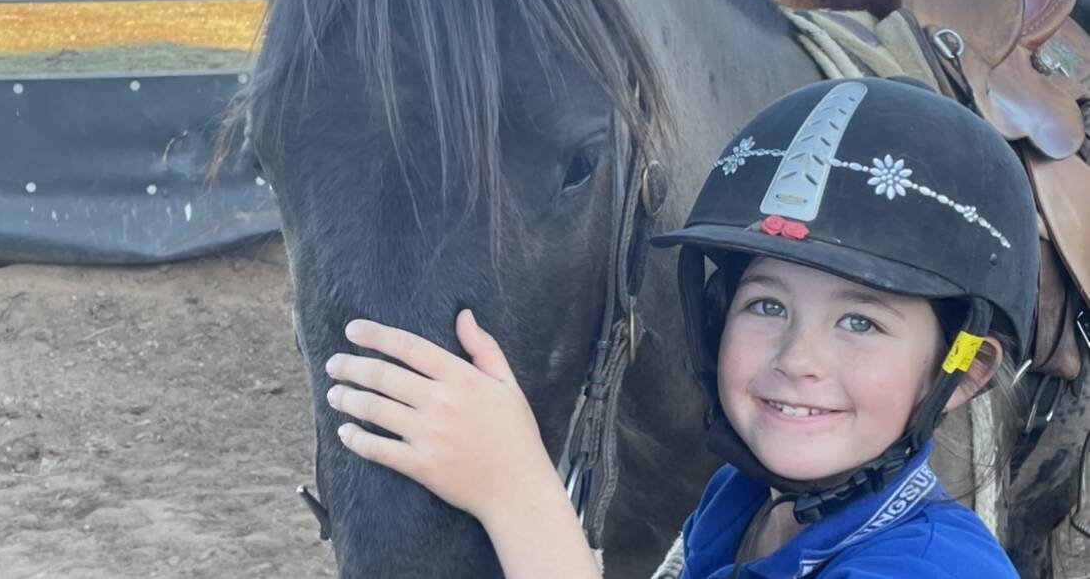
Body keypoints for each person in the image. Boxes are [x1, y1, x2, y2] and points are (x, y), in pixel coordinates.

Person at [320, 77, 1038, 578]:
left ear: (964, 369)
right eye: (766, 304)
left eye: (859, 320)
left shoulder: (929, 569)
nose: (798, 357)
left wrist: (519, 497)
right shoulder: (741, 495)